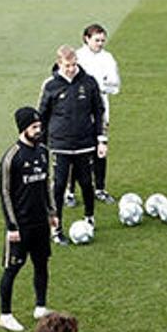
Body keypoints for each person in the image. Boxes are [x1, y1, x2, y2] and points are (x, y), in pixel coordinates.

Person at [0, 107, 59, 332]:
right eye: (34, 127)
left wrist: (52, 213)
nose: (39, 130)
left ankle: (40, 307)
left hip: (40, 223)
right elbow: (5, 193)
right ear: (24, 128)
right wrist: (11, 226)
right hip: (20, 226)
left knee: (41, 264)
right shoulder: (12, 157)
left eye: (39, 126)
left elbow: (47, 185)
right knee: (12, 269)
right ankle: (5, 315)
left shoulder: (43, 151)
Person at [39, 44, 106, 238]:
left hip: (85, 143)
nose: (71, 68)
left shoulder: (89, 82)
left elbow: (98, 111)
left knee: (86, 182)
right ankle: (56, 228)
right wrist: (40, 145)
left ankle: (89, 217)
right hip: (60, 145)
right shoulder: (51, 86)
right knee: (58, 186)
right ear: (59, 63)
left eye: (74, 64)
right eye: (67, 65)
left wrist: (101, 140)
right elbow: (42, 115)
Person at [74, 23, 121, 206]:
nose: (100, 44)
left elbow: (115, 85)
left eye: (102, 40)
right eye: (97, 40)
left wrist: (99, 87)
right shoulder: (77, 57)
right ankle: (70, 192)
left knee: (100, 150)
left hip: (101, 108)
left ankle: (100, 188)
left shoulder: (108, 58)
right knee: (76, 151)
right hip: (79, 110)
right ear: (87, 38)